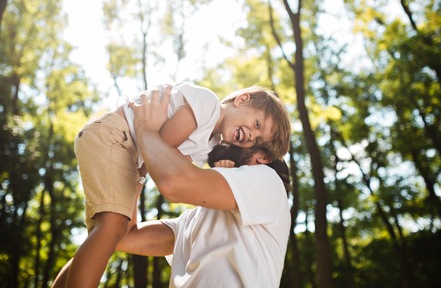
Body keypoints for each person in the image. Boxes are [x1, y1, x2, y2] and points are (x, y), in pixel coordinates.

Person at [52, 83, 291, 288]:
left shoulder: (267, 182)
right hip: (116, 138)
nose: (249, 140)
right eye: (256, 127)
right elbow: (125, 235)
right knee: (108, 230)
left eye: (258, 142)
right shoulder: (197, 217)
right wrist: (139, 172)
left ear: (265, 160)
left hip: (126, 147)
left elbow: (172, 174)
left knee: (108, 230)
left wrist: (146, 144)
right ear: (241, 100)